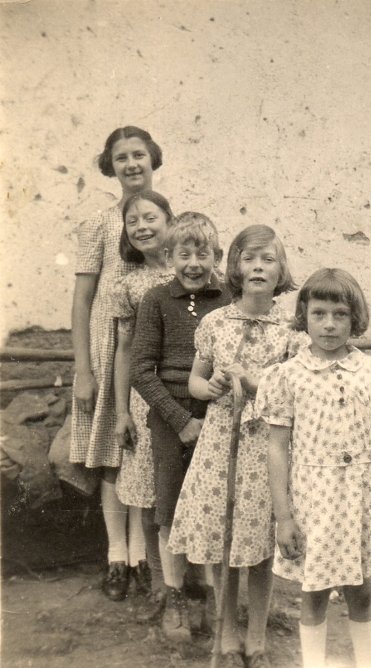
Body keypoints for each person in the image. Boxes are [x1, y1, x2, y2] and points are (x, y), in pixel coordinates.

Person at [168, 224, 307, 667]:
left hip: (267, 449)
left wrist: (257, 382)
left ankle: (258, 639)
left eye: (268, 259)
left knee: (260, 547)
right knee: (223, 543)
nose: (259, 267)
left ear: (281, 269)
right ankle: (227, 637)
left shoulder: (291, 331)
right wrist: (208, 386)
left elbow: (299, 388)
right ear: (234, 268)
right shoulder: (215, 323)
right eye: (249, 258)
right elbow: (194, 380)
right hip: (219, 445)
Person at [255, 268, 371, 668]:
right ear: (303, 315)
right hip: (313, 500)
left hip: (360, 497)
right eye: (319, 313)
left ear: (354, 318)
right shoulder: (287, 377)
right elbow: (277, 448)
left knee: (361, 590)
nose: (329, 324)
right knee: (314, 590)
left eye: (340, 314)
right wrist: (283, 517)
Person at [69, 126, 164, 601]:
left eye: (139, 155)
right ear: (111, 165)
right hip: (110, 355)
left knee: (142, 455)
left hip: (153, 358)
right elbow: (83, 301)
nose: (131, 164)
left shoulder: (162, 218)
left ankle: (144, 556)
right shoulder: (100, 225)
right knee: (111, 456)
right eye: (121, 157)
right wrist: (84, 371)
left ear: (153, 160)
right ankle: (116, 558)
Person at [130, 212, 232, 641]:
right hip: (170, 419)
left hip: (219, 417)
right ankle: (173, 596)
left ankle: (208, 594)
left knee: (213, 506)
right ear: (168, 256)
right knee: (169, 507)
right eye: (184, 253)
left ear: (217, 256)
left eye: (202, 253)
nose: (193, 263)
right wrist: (179, 420)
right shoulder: (155, 300)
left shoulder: (228, 299)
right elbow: (140, 370)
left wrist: (212, 413)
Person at [109, 190, 175, 602]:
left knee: (186, 488)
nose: (142, 227)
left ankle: (199, 582)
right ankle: (161, 586)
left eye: (150, 217)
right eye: (132, 222)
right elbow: (124, 351)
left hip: (190, 394)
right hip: (144, 398)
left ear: (170, 220)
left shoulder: (193, 271)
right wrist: (121, 412)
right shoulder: (127, 284)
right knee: (149, 494)